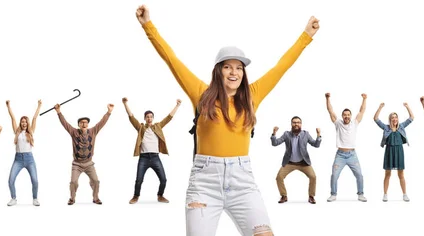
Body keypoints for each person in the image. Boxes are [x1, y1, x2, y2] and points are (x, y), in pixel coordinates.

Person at [136, 4, 319, 236]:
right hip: (204, 183)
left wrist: (306, 36)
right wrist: (147, 25)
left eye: (239, 68)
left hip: (243, 181)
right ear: (218, 71)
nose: (234, 72)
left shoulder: (253, 95)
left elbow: (281, 66)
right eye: (228, 67)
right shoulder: (201, 94)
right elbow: (172, 59)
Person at [122, 97, 182, 204]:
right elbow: (131, 117)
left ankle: (160, 196)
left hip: (155, 157)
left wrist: (177, 105)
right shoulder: (140, 127)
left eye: (151, 116)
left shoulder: (158, 126)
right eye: (147, 117)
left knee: (163, 179)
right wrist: (125, 103)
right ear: (145, 118)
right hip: (144, 158)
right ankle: (135, 196)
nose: (149, 118)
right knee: (139, 180)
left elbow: (169, 118)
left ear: (153, 118)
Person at [55, 102, 113, 205]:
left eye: (86, 122)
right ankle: (72, 198)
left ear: (88, 124)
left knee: (95, 181)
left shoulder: (93, 131)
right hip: (77, 164)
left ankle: (95, 198)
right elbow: (65, 124)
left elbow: (102, 122)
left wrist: (108, 112)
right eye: (81, 122)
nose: (84, 124)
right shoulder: (74, 132)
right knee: (73, 182)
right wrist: (59, 112)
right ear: (78, 125)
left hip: (89, 164)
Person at [325, 93, 368, 202]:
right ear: (342, 116)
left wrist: (364, 99)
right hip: (340, 155)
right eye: (345, 115)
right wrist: (327, 98)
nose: (347, 116)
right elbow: (330, 111)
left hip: (352, 155)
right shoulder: (338, 123)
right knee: (334, 175)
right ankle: (333, 194)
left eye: (348, 115)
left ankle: (360, 194)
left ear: (351, 116)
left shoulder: (355, 123)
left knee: (359, 175)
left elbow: (362, 111)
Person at [270, 116, 321, 204]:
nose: (296, 124)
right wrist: (274, 134)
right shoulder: (286, 134)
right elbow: (275, 143)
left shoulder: (306, 134)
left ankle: (311, 196)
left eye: (298, 122)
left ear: (301, 124)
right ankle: (284, 196)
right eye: (294, 122)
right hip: (289, 163)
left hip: (303, 162)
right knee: (279, 177)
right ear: (291, 124)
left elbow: (316, 145)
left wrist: (318, 135)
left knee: (313, 177)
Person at [373, 102, 414, 202]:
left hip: (399, 151)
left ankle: (404, 194)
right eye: (392, 117)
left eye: (396, 117)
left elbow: (411, 117)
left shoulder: (401, 126)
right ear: (390, 119)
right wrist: (380, 107)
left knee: (401, 174)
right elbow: (376, 119)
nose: (395, 119)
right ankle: (385, 194)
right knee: (387, 174)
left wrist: (408, 107)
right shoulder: (386, 127)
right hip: (389, 151)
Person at [5, 99, 42, 206]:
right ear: (21, 123)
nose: (24, 123)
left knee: (35, 180)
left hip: (29, 159)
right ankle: (13, 198)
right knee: (11, 180)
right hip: (18, 159)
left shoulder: (30, 131)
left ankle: (35, 198)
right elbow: (12, 118)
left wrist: (39, 106)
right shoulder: (17, 132)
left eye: (26, 121)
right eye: (22, 121)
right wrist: (8, 107)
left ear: (27, 123)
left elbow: (35, 118)